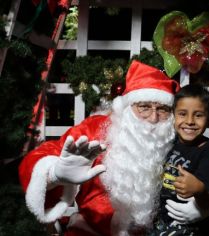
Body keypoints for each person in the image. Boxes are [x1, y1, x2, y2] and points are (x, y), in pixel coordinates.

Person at [19, 60, 181, 236]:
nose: (153, 118)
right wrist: (54, 173)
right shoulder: (97, 129)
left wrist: (204, 206)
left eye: (163, 109)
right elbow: (39, 157)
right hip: (89, 230)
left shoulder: (174, 137)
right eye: (144, 107)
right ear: (127, 107)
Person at [149, 84, 209, 235]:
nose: (190, 121)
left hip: (189, 227)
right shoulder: (168, 141)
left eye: (198, 115)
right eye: (182, 114)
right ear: (173, 116)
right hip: (157, 222)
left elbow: (208, 204)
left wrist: (199, 189)